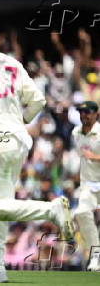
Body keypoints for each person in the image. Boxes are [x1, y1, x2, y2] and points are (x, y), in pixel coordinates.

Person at [0, 21, 74, 283]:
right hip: (18, 140)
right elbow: (38, 101)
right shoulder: (11, 62)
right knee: (1, 205)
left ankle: (51, 210)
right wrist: (20, 122)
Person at [72, 101, 100, 272]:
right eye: (81, 112)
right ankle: (96, 255)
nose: (84, 115)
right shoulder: (76, 133)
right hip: (88, 186)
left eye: (87, 112)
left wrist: (95, 157)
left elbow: (89, 156)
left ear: (96, 114)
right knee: (81, 213)